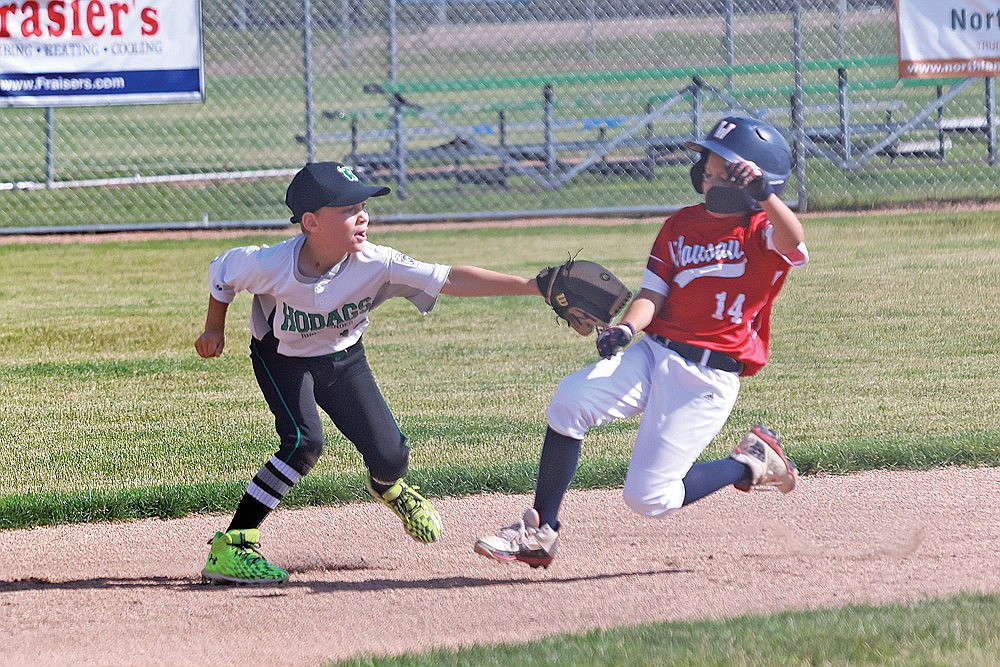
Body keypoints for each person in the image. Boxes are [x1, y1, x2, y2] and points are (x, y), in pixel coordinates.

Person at [474, 116, 808, 569]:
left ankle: (750, 461)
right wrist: (626, 330)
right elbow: (652, 294)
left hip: (708, 377)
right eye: (705, 166)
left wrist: (764, 195)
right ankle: (540, 530)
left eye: (717, 169)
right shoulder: (680, 226)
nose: (705, 174)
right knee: (571, 400)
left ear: (749, 178)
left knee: (649, 499)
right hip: (655, 354)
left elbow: (794, 238)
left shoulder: (761, 232)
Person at [196, 161, 542, 584]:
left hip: (344, 357)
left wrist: (532, 286)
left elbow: (450, 279)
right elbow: (222, 273)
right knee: (303, 442)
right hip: (281, 358)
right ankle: (232, 546)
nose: (363, 216)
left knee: (391, 455)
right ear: (311, 222)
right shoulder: (271, 264)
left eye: (363, 205)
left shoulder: (379, 262)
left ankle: (387, 487)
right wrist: (214, 327)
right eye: (347, 209)